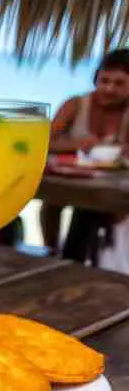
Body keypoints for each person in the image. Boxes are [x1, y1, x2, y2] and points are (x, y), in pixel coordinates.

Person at [43, 49, 129, 262]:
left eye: (119, 83)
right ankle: (51, 251)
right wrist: (76, 144)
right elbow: (44, 143)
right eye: (104, 80)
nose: (109, 89)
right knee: (51, 200)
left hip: (109, 181)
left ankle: (108, 258)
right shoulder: (76, 104)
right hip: (68, 175)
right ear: (95, 78)